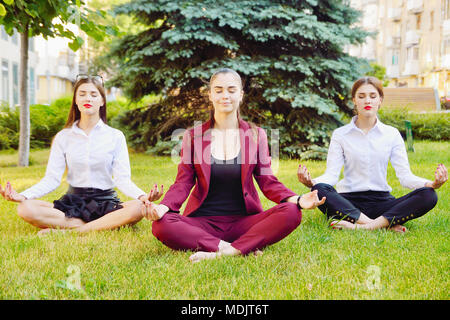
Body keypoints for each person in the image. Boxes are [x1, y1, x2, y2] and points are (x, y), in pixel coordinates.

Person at [141, 68, 325, 262]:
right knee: (161, 224)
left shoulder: (256, 134)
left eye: (231, 89)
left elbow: (267, 181)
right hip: (202, 222)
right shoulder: (193, 136)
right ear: (210, 95)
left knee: (291, 213)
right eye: (218, 90)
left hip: (244, 222)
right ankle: (232, 247)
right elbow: (183, 182)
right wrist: (164, 208)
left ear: (241, 95)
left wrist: (297, 200)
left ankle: (227, 252)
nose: (225, 96)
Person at [0, 75, 163, 234]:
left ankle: (72, 231)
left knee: (138, 208)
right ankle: (101, 225)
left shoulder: (116, 136)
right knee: (25, 208)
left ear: (102, 101)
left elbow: (122, 179)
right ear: (76, 100)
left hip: (106, 203)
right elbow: (52, 179)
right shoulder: (63, 137)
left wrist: (142, 196)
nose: (88, 99)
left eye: (94, 94)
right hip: (72, 203)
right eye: (82, 94)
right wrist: (23, 195)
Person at [297, 76, 447, 232]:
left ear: (380, 100)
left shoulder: (392, 134)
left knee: (429, 195)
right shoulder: (340, 134)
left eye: (373, 96)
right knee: (320, 189)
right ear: (354, 100)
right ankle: (382, 225)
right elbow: (331, 176)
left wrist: (432, 184)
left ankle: (361, 227)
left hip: (382, 203)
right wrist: (311, 182)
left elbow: (405, 177)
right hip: (348, 202)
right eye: (361, 96)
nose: (367, 101)